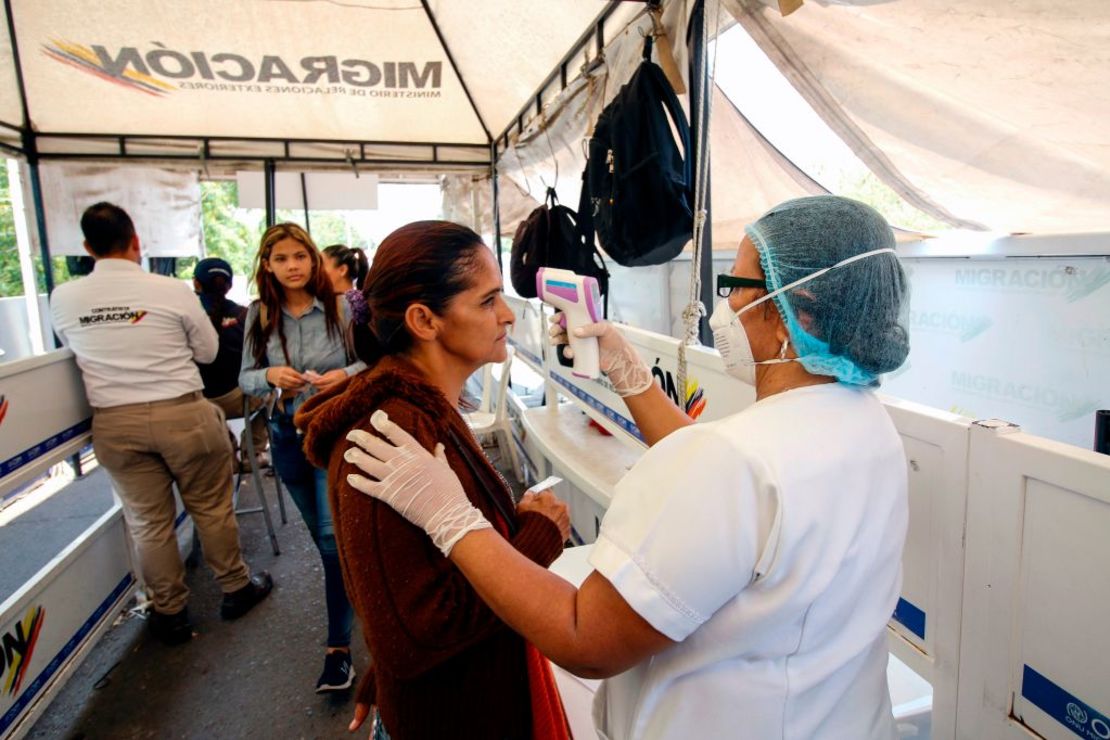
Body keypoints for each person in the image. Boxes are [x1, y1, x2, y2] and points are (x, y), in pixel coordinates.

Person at [343, 196, 912, 739]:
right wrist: (627, 371)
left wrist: (454, 521)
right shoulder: (864, 424)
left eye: (735, 286)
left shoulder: (736, 461)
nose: (726, 306)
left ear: (796, 309)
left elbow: (583, 637)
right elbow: (733, 480)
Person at [294, 221, 573, 739]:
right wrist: (539, 537)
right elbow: (414, 637)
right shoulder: (388, 434)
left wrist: (387, 664)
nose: (507, 314)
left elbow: (401, 599)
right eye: (488, 300)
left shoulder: (425, 412)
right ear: (424, 320)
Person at [49, 202, 273, 646]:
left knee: (148, 523)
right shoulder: (171, 291)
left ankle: (169, 611)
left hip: (115, 421)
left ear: (87, 248)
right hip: (182, 413)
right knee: (211, 507)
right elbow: (208, 353)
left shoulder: (64, 297)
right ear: (136, 241)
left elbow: (72, 343)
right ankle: (235, 588)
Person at [238, 223, 365, 694]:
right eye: (281, 258)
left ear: (312, 260)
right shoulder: (259, 315)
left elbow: (372, 362)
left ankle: (338, 651)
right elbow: (244, 378)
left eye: (299, 256)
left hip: (334, 434)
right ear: (267, 266)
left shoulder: (341, 308)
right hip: (285, 437)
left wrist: (344, 377)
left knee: (333, 543)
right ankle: (363, 593)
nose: (292, 266)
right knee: (326, 541)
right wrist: (270, 373)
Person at [192, 257, 268, 468]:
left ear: (196, 284)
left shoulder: (188, 317)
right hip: (240, 399)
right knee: (271, 391)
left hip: (201, 403)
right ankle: (253, 451)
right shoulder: (246, 315)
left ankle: (227, 447)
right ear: (230, 285)